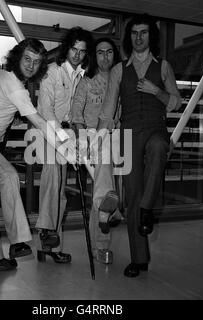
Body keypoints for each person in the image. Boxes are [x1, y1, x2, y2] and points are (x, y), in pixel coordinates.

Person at [0, 38, 75, 275]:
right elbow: (41, 124)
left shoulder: (3, 78)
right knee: (10, 176)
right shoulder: (15, 86)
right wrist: (65, 147)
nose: (31, 65)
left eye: (36, 62)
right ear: (17, 57)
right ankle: (19, 241)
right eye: (27, 59)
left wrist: (3, 111)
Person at [97, 14, 181, 277]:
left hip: (156, 129)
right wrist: (97, 140)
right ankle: (139, 259)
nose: (139, 37)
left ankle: (147, 208)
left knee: (158, 148)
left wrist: (156, 91)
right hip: (128, 134)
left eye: (144, 32)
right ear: (129, 37)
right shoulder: (119, 70)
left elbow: (176, 102)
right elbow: (109, 110)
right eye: (134, 33)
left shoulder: (163, 67)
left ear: (150, 36)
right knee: (132, 195)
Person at [35, 27, 94, 264]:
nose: (77, 55)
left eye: (82, 51)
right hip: (47, 131)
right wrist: (61, 137)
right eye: (74, 49)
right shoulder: (51, 72)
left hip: (69, 134)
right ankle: (47, 230)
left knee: (60, 191)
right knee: (51, 173)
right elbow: (47, 110)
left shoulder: (83, 76)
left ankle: (50, 246)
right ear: (66, 48)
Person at [71, 37, 121, 264]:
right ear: (94, 55)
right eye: (100, 52)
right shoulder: (87, 81)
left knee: (103, 187)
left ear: (115, 55)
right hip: (92, 138)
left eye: (109, 52)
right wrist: (83, 140)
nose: (105, 57)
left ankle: (106, 214)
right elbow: (75, 114)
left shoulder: (121, 79)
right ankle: (102, 246)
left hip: (118, 138)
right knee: (105, 179)